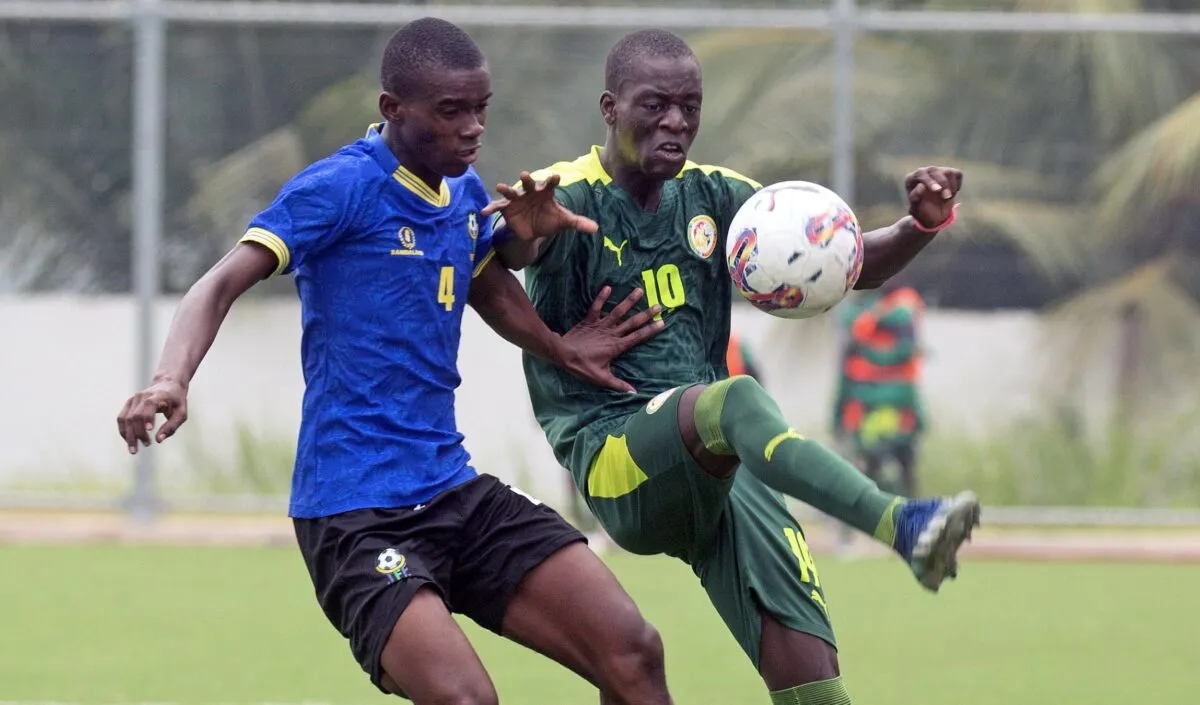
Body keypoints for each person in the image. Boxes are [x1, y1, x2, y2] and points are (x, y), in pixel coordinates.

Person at [116, 19, 675, 705]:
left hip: (452, 489)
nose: (472, 128)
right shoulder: (339, 188)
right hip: (356, 514)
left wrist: (556, 336)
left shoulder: (463, 190)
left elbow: (487, 283)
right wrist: (171, 377)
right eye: (451, 111)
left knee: (634, 653)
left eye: (480, 109)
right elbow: (218, 283)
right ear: (393, 109)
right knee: (467, 699)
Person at [491, 28, 981, 705]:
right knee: (736, 397)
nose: (676, 121)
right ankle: (901, 523)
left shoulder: (718, 197)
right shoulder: (569, 193)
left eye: (689, 105)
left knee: (814, 687)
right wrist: (522, 234)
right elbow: (513, 253)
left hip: (711, 457)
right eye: (655, 104)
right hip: (614, 453)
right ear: (609, 108)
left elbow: (847, 261)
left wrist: (919, 224)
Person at [832, 278, 927, 498]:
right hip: (872, 407)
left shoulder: (901, 307)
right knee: (877, 465)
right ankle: (890, 510)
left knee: (896, 465)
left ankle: (900, 511)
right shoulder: (865, 317)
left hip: (889, 406)